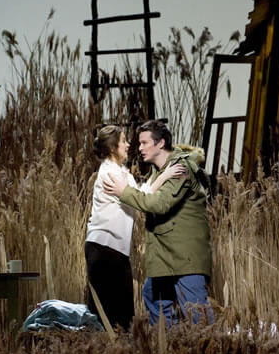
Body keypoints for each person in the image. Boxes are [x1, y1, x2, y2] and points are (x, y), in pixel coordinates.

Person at [103, 120, 213, 326]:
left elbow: (159, 204)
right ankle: (169, 349)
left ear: (160, 143)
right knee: (152, 296)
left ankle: (211, 352)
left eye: (144, 143)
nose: (140, 148)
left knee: (197, 313)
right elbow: (149, 192)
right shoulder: (159, 172)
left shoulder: (181, 168)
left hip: (185, 258)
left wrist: (123, 192)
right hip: (167, 258)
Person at [85, 125, 182, 330]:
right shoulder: (111, 173)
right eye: (123, 141)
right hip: (104, 249)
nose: (128, 145)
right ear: (112, 148)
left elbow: (138, 194)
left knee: (120, 313)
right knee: (112, 314)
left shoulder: (119, 171)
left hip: (114, 249)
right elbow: (138, 200)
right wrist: (164, 176)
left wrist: (161, 176)